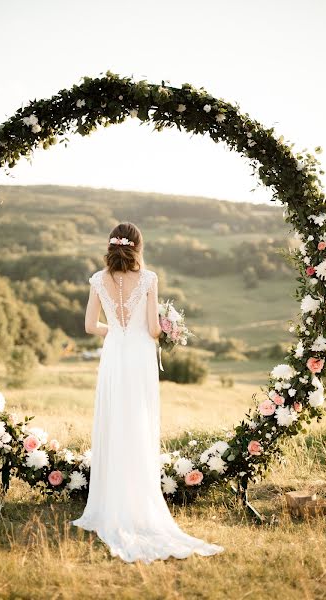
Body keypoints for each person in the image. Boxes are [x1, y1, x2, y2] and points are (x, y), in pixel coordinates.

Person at [70, 222, 225, 563]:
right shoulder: (150, 278)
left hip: (114, 354)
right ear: (138, 246)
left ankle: (110, 501)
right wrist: (163, 329)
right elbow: (154, 328)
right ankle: (138, 501)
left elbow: (88, 326)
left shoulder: (98, 279)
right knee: (138, 421)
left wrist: (118, 331)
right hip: (139, 355)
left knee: (114, 420)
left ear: (112, 246)